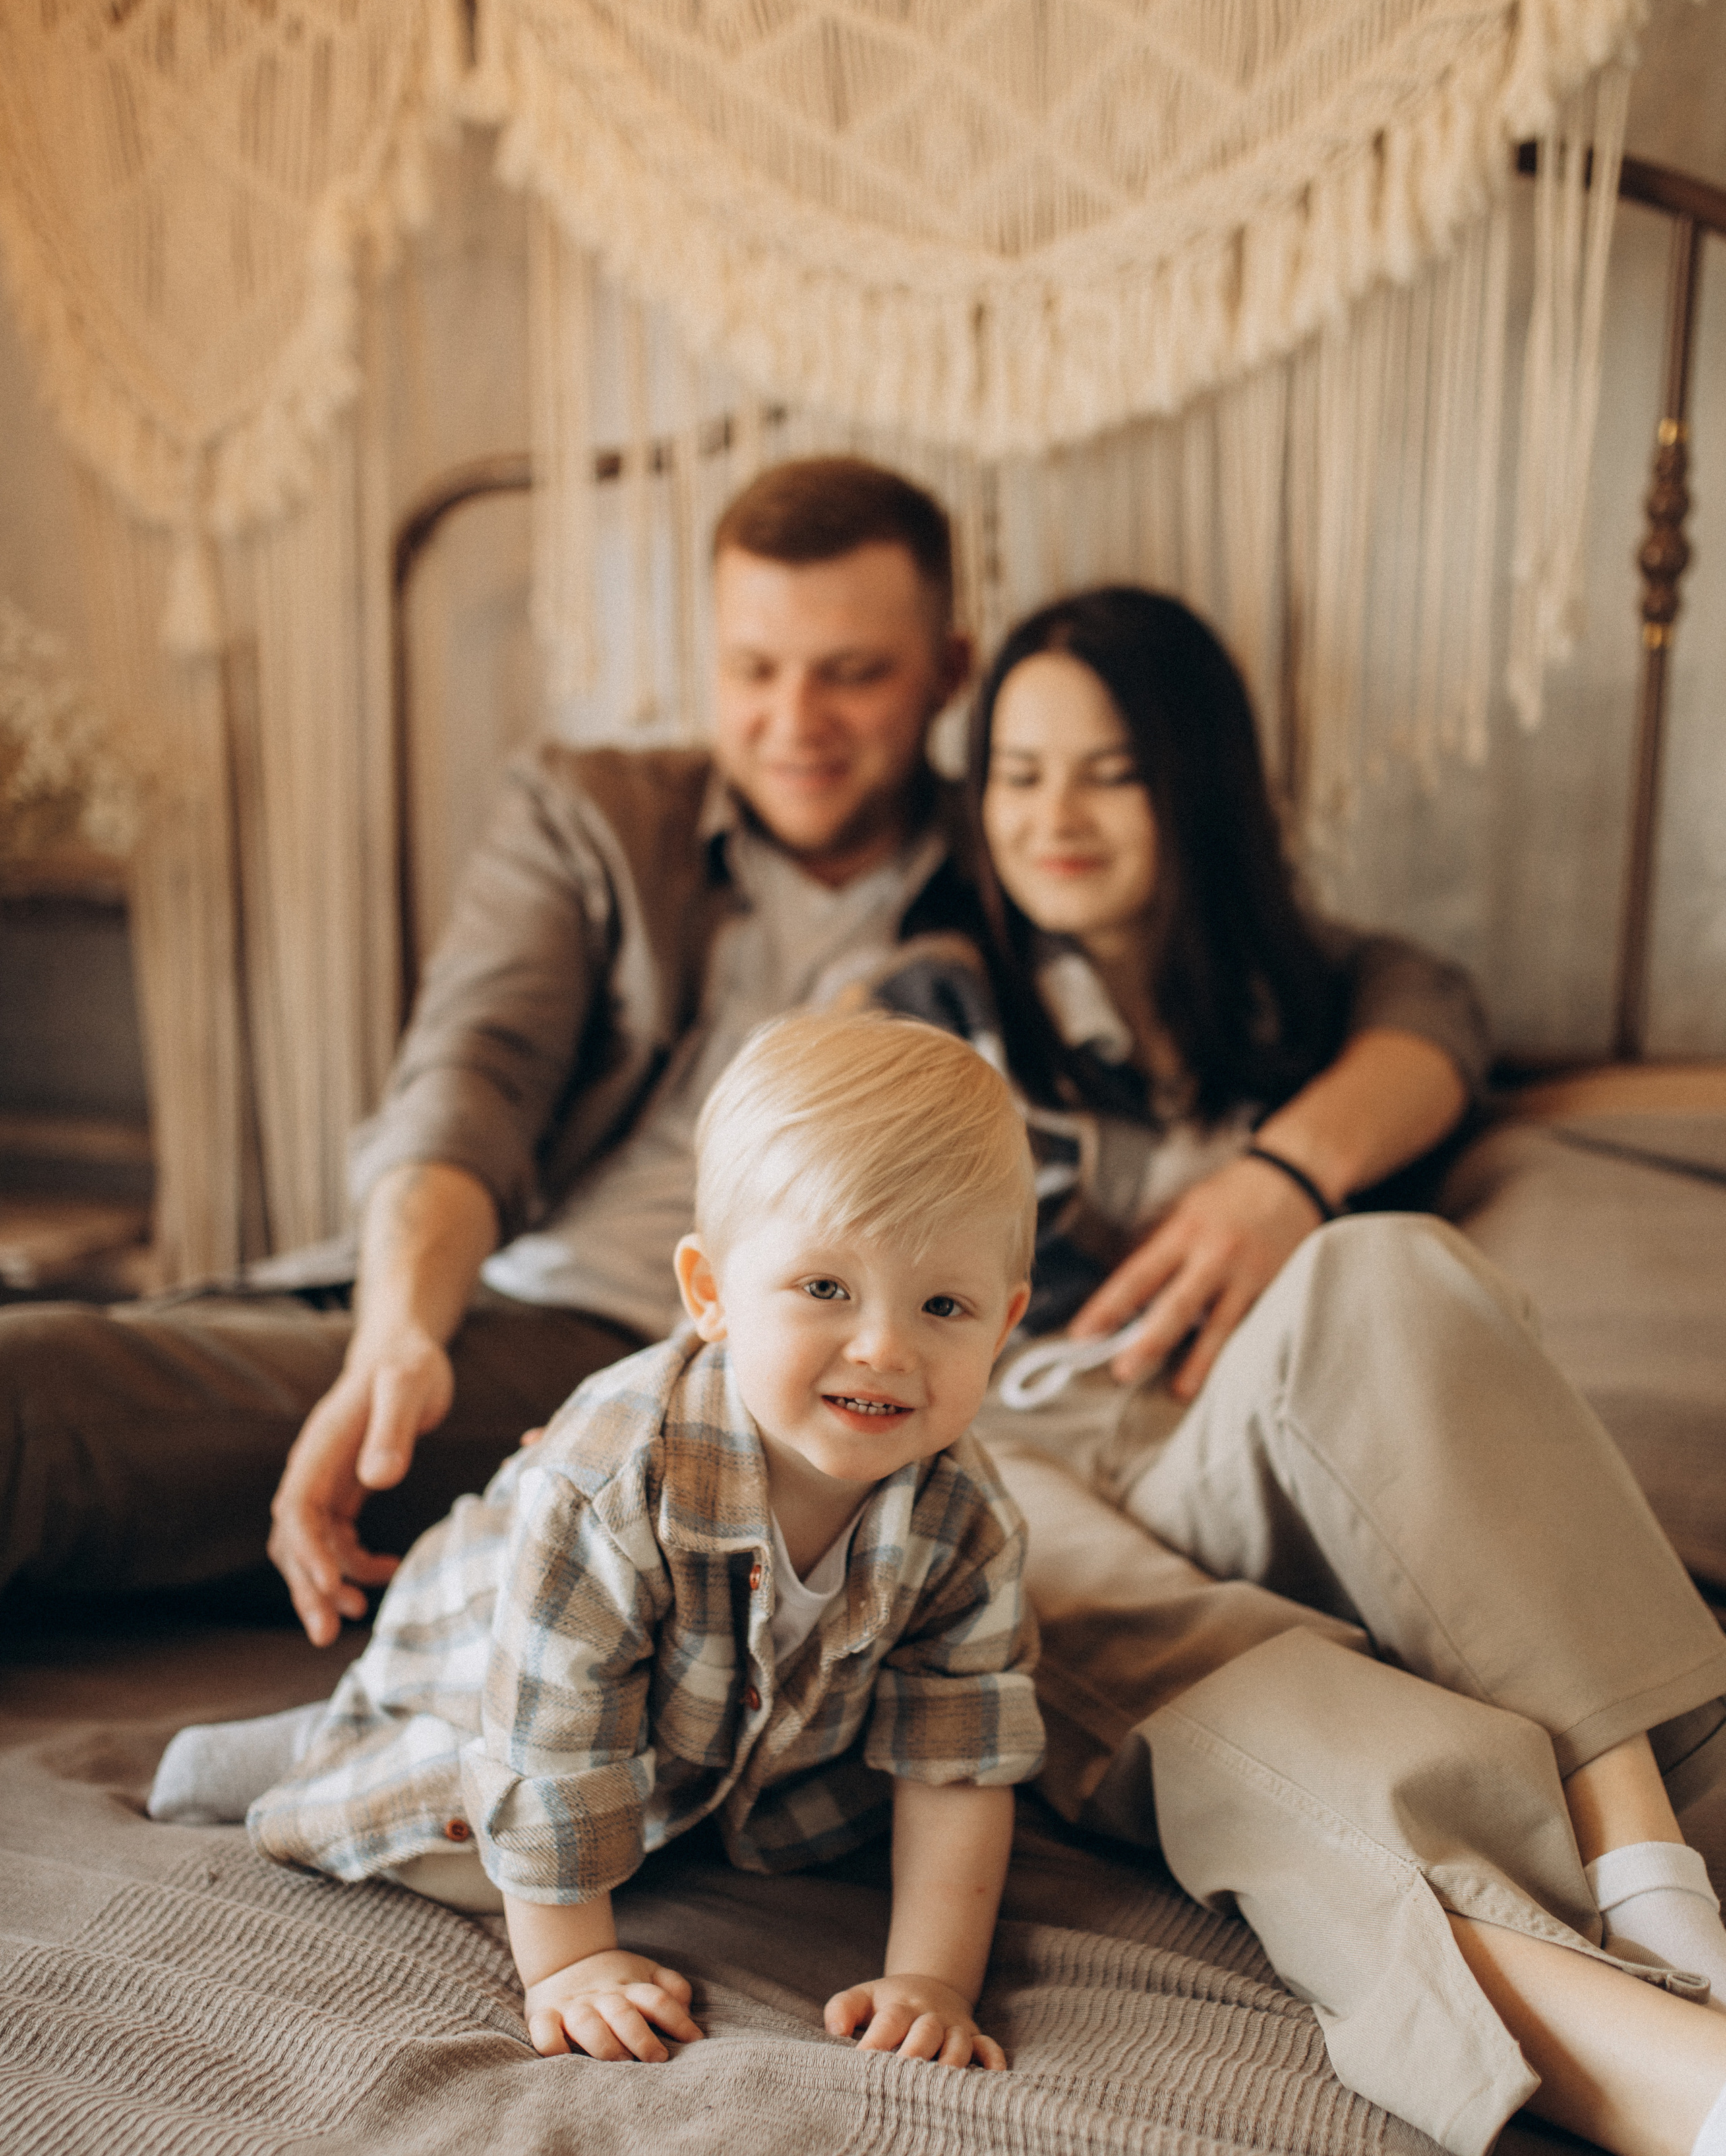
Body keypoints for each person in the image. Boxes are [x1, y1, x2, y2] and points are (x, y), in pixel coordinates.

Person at [0, 462, 1483, 1641]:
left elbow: (1415, 998)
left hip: (708, 1358)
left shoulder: (1018, 853)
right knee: (87, 1375)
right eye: (753, 668)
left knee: (53, 1405)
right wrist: (400, 1328)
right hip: (480, 1292)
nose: (794, 723)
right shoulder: (594, 816)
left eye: (852, 673)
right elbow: (468, 1084)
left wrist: (1286, 1172)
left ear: (947, 671)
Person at [844, 585, 1726, 2156]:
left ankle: (1651, 1862)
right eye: (1015, 774)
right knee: (1225, 1666)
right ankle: (1680, 2085)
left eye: (1108, 770)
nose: (1050, 814)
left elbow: (1439, 1022)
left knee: (1377, 1265)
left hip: (1273, 1452)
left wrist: (1285, 1174)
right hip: (1031, 1459)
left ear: (1196, 783)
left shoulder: (1318, 992)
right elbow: (809, 1235)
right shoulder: (932, 1002)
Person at [148, 1016, 1044, 2068]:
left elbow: (956, 1763)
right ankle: (316, 1748)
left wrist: (933, 1980)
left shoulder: (970, 1522)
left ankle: (565, 1793)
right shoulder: (618, 1476)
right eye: (825, 1289)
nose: (885, 1346)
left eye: (943, 1305)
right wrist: (571, 1965)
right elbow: (549, 1740)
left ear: (1003, 1325)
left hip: (714, 1743)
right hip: (500, 1669)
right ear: (710, 1294)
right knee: (473, 1847)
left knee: (802, 1829)